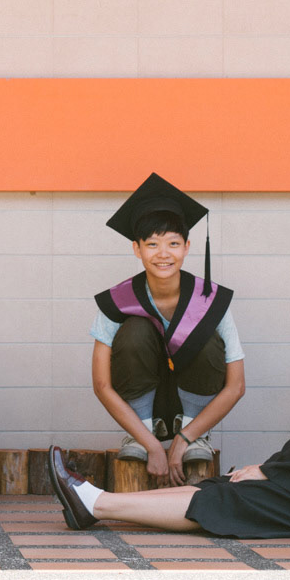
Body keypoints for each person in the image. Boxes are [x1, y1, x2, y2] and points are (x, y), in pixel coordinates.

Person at [50, 249, 290, 538]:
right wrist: (270, 467)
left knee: (231, 501)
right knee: (224, 486)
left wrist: (273, 471)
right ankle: (94, 503)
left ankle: (96, 503)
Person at [90, 173, 247, 486]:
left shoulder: (210, 300)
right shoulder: (117, 301)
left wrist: (185, 438)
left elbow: (236, 385)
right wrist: (149, 444)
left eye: (173, 243)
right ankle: (141, 430)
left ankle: (196, 432)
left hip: (194, 410)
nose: (163, 253)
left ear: (187, 247)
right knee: (134, 330)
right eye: (152, 244)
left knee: (205, 336)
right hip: (141, 409)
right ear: (137, 249)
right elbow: (102, 385)